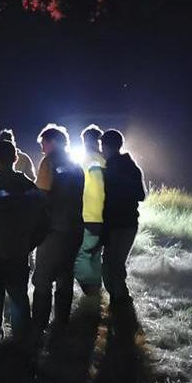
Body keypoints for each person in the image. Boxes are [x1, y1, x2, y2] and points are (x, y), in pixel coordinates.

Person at [0, 140, 48, 343]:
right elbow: (43, 221)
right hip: (19, 254)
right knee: (19, 298)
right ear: (16, 159)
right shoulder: (29, 186)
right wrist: (29, 245)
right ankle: (21, 343)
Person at [32, 124, 85, 331]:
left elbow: (41, 197)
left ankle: (39, 326)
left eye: (43, 144)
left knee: (43, 279)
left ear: (52, 142)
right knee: (65, 276)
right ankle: (62, 324)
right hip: (75, 230)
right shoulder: (76, 165)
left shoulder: (49, 162)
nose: (42, 148)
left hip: (54, 231)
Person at [100, 128, 146, 322]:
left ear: (108, 146)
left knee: (113, 266)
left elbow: (139, 195)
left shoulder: (112, 168)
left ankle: (122, 310)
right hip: (126, 224)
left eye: (103, 145)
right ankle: (120, 309)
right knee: (113, 265)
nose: (101, 149)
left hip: (118, 224)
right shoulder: (131, 166)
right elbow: (141, 195)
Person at [74, 125, 106, 296]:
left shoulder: (82, 162)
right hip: (105, 218)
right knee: (95, 256)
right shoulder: (105, 161)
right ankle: (97, 293)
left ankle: (90, 293)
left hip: (87, 216)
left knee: (80, 256)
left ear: (84, 141)